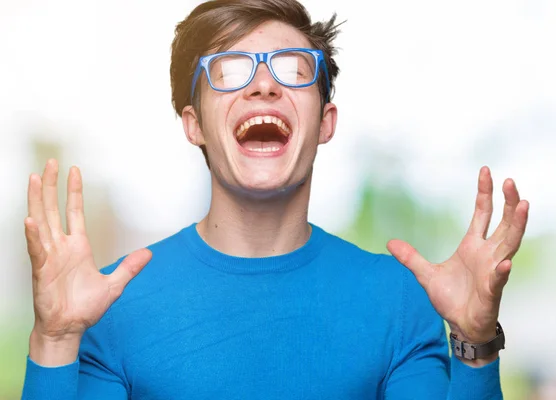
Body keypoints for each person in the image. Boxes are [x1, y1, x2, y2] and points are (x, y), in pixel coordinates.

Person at [21, 0, 529, 399]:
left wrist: (474, 345)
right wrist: (56, 340)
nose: (263, 84)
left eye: (291, 68)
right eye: (229, 69)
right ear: (194, 125)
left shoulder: (400, 300)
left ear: (326, 122)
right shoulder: (111, 304)